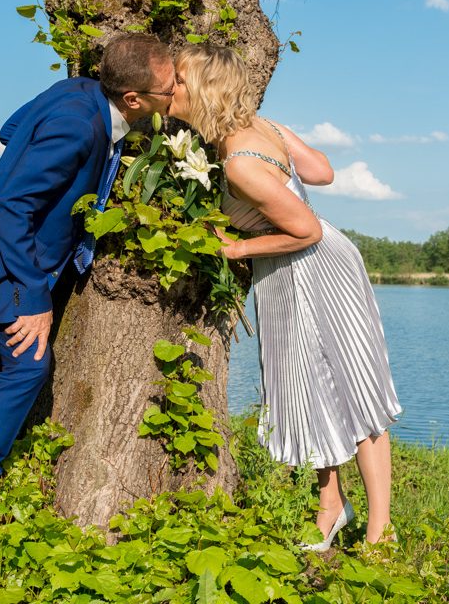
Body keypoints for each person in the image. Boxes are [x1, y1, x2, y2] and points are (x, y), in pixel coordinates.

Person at [0, 33, 175, 547]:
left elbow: (12, 130)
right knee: (28, 364)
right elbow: (12, 209)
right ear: (135, 100)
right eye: (169, 87)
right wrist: (34, 300)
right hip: (12, 263)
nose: (176, 91)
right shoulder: (77, 125)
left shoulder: (74, 90)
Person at [167, 44, 401, 548]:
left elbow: (307, 228)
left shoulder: (237, 165)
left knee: (354, 388)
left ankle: (380, 531)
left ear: (205, 90)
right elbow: (320, 172)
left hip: (311, 266)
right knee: (309, 388)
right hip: (295, 270)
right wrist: (281, 145)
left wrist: (237, 247)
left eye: (181, 82)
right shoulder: (265, 127)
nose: (172, 89)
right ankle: (331, 505)